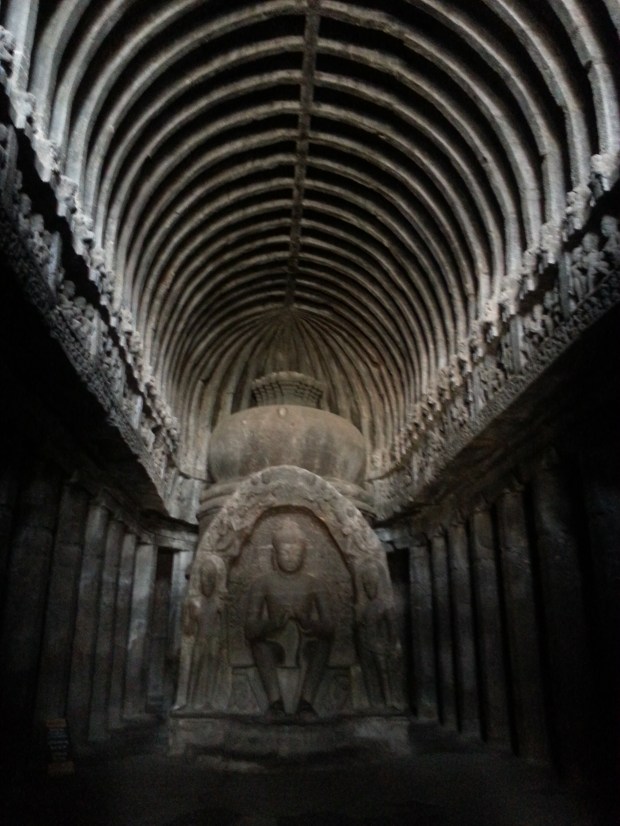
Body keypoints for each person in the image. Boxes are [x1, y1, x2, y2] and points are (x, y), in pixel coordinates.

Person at [244, 518, 334, 718]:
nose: (290, 557)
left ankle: (307, 701)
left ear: (304, 553)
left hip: (305, 640)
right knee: (259, 645)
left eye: (296, 552)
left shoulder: (314, 584)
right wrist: (272, 623)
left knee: (323, 645)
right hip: (274, 640)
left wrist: (306, 621)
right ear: (275, 554)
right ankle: (275, 702)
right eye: (285, 552)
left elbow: (329, 627)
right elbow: (250, 629)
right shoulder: (263, 583)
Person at [184, 555, 226, 710]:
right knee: (195, 669)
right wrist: (191, 614)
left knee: (212, 671)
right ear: (199, 580)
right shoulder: (194, 602)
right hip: (200, 640)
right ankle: (189, 701)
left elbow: (226, 627)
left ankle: (210, 701)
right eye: (204, 577)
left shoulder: (219, 603)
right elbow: (188, 631)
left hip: (214, 640)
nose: (207, 581)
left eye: (211, 578)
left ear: (216, 580)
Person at [356, 563, 400, 710]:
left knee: (384, 673)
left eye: (371, 585)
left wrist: (391, 645)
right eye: (366, 586)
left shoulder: (385, 605)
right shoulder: (367, 607)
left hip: (379, 644)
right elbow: (362, 624)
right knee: (369, 673)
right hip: (366, 643)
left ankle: (390, 700)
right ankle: (375, 702)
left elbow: (392, 628)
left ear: (378, 585)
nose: (368, 589)